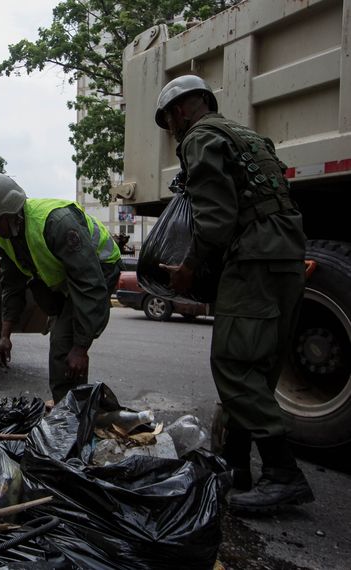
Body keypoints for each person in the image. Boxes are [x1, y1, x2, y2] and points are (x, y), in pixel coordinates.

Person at [155, 75, 314, 512]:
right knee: (259, 363)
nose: (171, 128)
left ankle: (284, 474)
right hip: (286, 255)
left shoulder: (200, 137)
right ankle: (237, 467)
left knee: (233, 364)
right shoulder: (248, 136)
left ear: (183, 110)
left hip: (253, 259)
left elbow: (217, 219)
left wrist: (189, 269)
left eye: (169, 118)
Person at [0, 173, 121, 403]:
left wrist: (81, 348)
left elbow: (89, 284)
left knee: (64, 346)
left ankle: (71, 417)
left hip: (100, 268)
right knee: (62, 337)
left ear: (10, 212)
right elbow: (12, 285)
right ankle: (72, 410)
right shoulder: (5, 238)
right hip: (69, 276)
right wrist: (5, 336)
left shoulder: (56, 223)